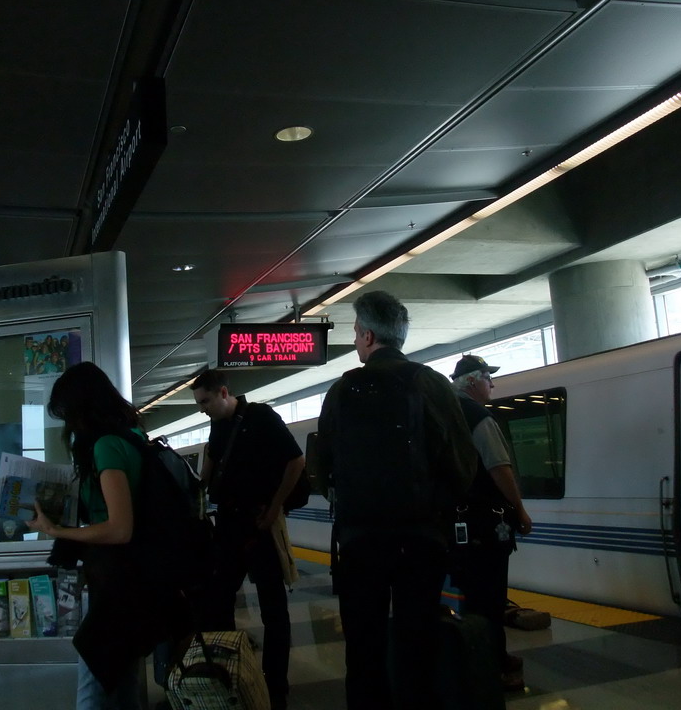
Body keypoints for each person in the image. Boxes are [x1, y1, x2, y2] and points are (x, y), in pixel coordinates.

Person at [317, 290, 478, 710]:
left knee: (363, 648)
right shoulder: (431, 384)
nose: (355, 341)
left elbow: (321, 468)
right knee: (415, 644)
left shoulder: (340, 391)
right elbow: (462, 463)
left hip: (359, 541)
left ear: (368, 337)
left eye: (355, 333)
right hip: (421, 540)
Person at [25, 361, 147, 710]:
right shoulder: (132, 435)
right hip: (134, 579)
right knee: (123, 686)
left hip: (117, 583)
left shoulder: (107, 446)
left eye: (68, 416)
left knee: (91, 688)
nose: (69, 426)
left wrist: (56, 530)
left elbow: (119, 527)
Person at [191, 369, 306, 710]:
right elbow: (212, 459)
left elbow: (296, 461)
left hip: (259, 524)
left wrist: (274, 509)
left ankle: (277, 685)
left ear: (224, 392)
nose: (202, 409)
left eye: (205, 401)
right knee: (219, 602)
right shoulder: (218, 423)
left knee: (274, 610)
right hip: (228, 525)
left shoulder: (262, 417)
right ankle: (227, 672)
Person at [449, 354, 533, 692]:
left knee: (470, 597)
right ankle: (493, 665)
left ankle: (475, 658)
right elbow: (499, 467)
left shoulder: (442, 413)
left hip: (454, 525)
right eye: (488, 377)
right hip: (486, 525)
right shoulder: (477, 417)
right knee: (490, 598)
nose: (492, 385)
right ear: (471, 381)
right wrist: (520, 510)